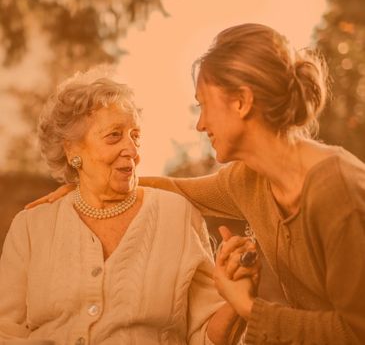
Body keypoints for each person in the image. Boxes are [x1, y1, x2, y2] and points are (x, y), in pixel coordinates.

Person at [26, 23, 365, 345]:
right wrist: (88, 184)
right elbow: (177, 189)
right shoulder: (248, 180)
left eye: (204, 105)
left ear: (242, 102)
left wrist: (249, 308)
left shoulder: (337, 190)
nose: (200, 124)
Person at [0, 74, 249, 344]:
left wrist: (237, 302)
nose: (131, 149)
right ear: (72, 149)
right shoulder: (30, 227)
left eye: (135, 136)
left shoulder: (177, 216)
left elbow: (204, 336)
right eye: (114, 136)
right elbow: (6, 332)